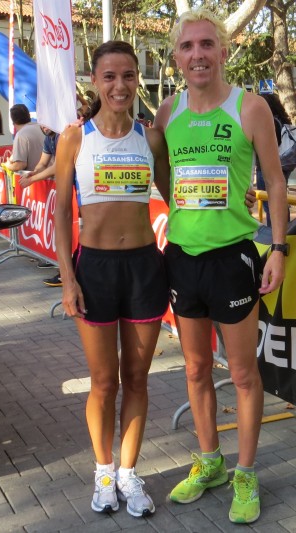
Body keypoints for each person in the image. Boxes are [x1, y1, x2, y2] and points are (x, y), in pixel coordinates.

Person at [153, 8, 288, 525]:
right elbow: (166, 177)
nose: (197, 55)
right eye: (187, 47)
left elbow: (275, 183)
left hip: (233, 257)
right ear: (177, 57)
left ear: (224, 51)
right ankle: (210, 460)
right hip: (183, 258)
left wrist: (276, 248)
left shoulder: (249, 107)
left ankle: (247, 472)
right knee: (193, 368)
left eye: (207, 44)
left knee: (244, 374)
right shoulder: (168, 112)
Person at [55, 40, 171, 518]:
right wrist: (67, 279)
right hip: (95, 270)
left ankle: (128, 473)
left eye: (128, 76)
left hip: (144, 267)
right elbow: (61, 212)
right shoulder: (74, 138)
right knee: (103, 382)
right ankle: (104, 472)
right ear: (95, 82)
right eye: (110, 77)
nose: (120, 85)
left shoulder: (152, 137)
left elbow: (177, 193)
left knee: (137, 379)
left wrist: (234, 195)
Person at [20, 126, 62, 287]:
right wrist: (33, 172)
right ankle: (63, 269)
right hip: (65, 188)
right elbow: (43, 163)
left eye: (47, 123)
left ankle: (66, 273)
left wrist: (33, 179)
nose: (44, 126)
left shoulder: (61, 135)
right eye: (42, 123)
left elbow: (58, 165)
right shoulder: (48, 138)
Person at [255, 93, 291, 226]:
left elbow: (265, 147)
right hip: (282, 165)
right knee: (279, 201)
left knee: (270, 205)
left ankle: (275, 234)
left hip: (267, 169)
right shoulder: (280, 121)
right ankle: (284, 233)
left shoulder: (270, 123)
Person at [4, 104, 44, 172]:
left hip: (34, 179)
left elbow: (20, 165)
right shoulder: (41, 128)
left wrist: (7, 165)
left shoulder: (21, 135)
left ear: (13, 121)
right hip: (52, 177)